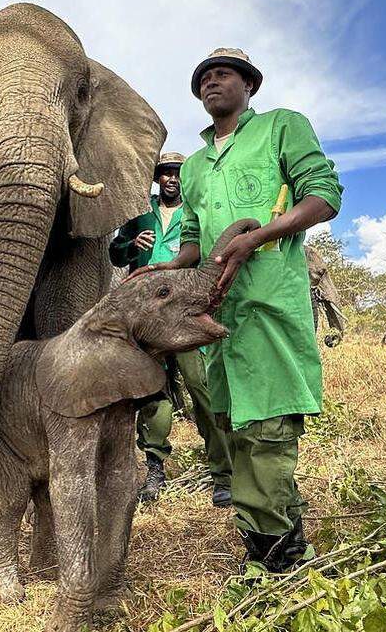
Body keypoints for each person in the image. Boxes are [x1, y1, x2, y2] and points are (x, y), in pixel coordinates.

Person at [127, 48, 343, 573]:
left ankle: (278, 554)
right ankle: (272, 534)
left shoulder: (281, 128)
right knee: (231, 424)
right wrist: (164, 270)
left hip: (269, 303)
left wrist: (260, 236)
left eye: (223, 74)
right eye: (203, 77)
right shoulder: (196, 165)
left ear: (249, 85)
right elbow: (196, 242)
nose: (211, 83)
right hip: (212, 316)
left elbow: (325, 196)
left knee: (267, 426)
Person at [109, 151, 233, 508]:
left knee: (203, 389)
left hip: (185, 315)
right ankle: (154, 470)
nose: (171, 179)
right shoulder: (139, 213)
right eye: (164, 173)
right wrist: (131, 245)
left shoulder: (194, 212)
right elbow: (115, 254)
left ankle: (223, 474)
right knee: (151, 395)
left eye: (177, 173)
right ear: (156, 178)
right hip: (146, 319)